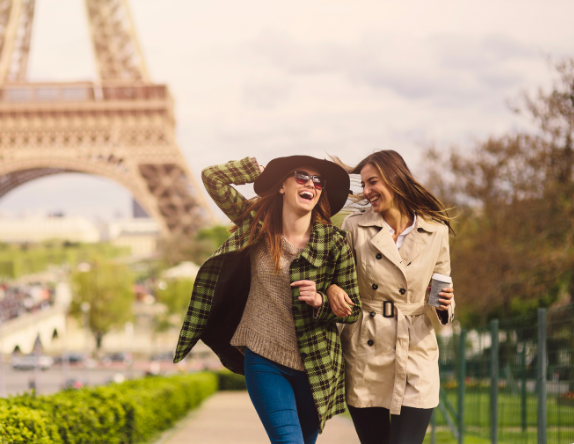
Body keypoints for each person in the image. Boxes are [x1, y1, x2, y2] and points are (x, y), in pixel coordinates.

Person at [174, 156, 361, 444]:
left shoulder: (334, 242)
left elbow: (353, 310)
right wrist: (253, 172)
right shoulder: (257, 225)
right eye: (301, 177)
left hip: (317, 364)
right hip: (264, 359)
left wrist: (322, 300)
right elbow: (212, 177)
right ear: (282, 186)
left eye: (317, 181)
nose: (311, 183)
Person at [326, 150, 455, 444]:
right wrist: (333, 289)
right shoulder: (354, 227)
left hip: (416, 351)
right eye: (364, 185)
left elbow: (443, 288)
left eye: (373, 182)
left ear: (395, 178)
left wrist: (445, 303)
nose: (367, 191)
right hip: (366, 349)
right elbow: (335, 277)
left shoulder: (436, 231)